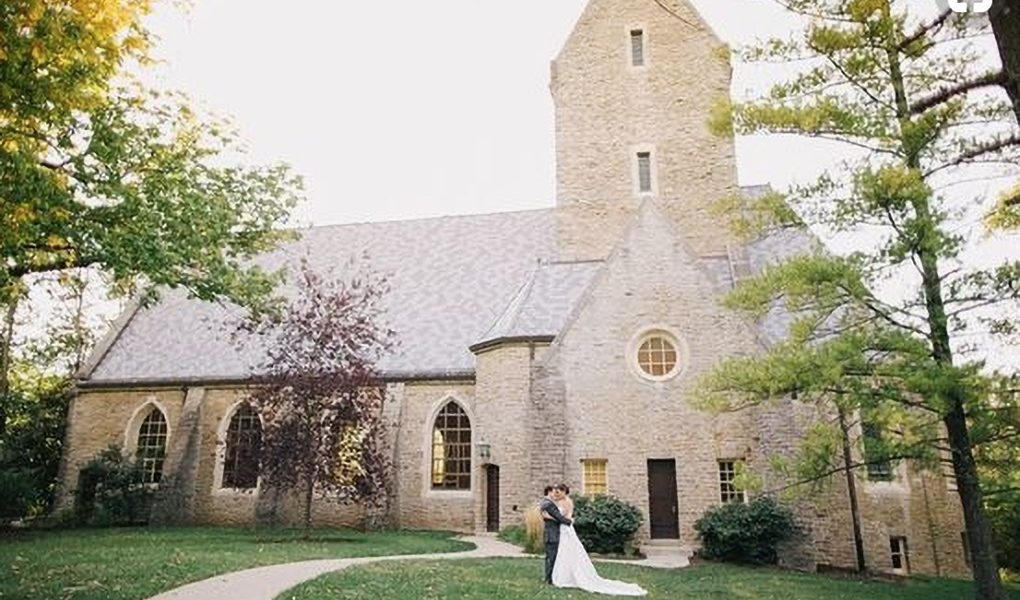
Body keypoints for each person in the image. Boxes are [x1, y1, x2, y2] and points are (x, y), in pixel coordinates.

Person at [550, 483, 647, 596]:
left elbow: (564, 517)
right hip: (565, 528)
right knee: (566, 551)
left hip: (565, 528)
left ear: (564, 491)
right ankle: (566, 575)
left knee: (567, 550)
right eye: (556, 490)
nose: (557, 493)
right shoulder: (566, 501)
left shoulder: (565, 502)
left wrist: (553, 517)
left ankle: (566, 577)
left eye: (559, 491)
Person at [539, 484, 573, 584]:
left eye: (558, 491)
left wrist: (551, 518)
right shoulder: (548, 504)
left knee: (554, 556)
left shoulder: (560, 503)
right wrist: (569, 521)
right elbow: (560, 518)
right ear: (549, 492)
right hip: (553, 534)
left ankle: (552, 577)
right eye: (554, 491)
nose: (556, 493)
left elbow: (559, 517)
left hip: (559, 532)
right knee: (552, 557)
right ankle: (550, 578)